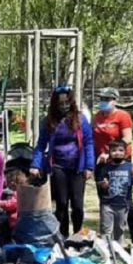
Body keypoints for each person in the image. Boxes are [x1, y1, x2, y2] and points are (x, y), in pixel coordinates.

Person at [29, 85, 95, 236]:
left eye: (67, 103)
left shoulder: (80, 119)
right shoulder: (49, 121)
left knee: (77, 205)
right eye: (61, 103)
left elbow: (89, 142)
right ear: (55, 104)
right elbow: (40, 145)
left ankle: (78, 234)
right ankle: (63, 235)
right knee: (61, 204)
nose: (64, 106)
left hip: (78, 166)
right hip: (58, 166)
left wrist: (89, 166)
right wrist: (35, 164)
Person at [95, 139, 133, 243]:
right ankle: (106, 253)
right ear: (109, 152)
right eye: (114, 150)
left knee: (120, 230)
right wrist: (103, 184)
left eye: (120, 150)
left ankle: (119, 252)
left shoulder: (129, 166)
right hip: (107, 204)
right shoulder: (105, 167)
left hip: (123, 204)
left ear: (126, 152)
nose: (117, 153)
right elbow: (99, 180)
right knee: (106, 230)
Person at [92, 87, 133, 162]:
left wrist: (110, 153)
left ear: (115, 101)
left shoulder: (123, 115)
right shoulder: (97, 116)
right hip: (100, 159)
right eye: (101, 99)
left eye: (107, 99)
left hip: (118, 159)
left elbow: (128, 138)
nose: (103, 101)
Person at [0, 169, 28, 244]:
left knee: (15, 238)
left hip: (15, 221)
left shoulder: (17, 193)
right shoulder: (25, 191)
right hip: (20, 220)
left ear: (13, 183)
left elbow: (12, 204)